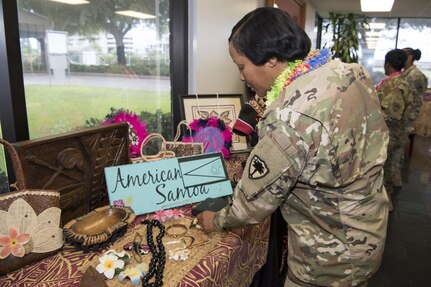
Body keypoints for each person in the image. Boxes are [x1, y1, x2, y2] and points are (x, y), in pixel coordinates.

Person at [197, 7, 389, 287]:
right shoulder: (349, 72)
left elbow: (252, 204)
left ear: (272, 59)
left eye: (241, 66)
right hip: (368, 229)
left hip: (328, 259)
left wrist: (215, 220)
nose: (241, 77)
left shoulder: (290, 115)